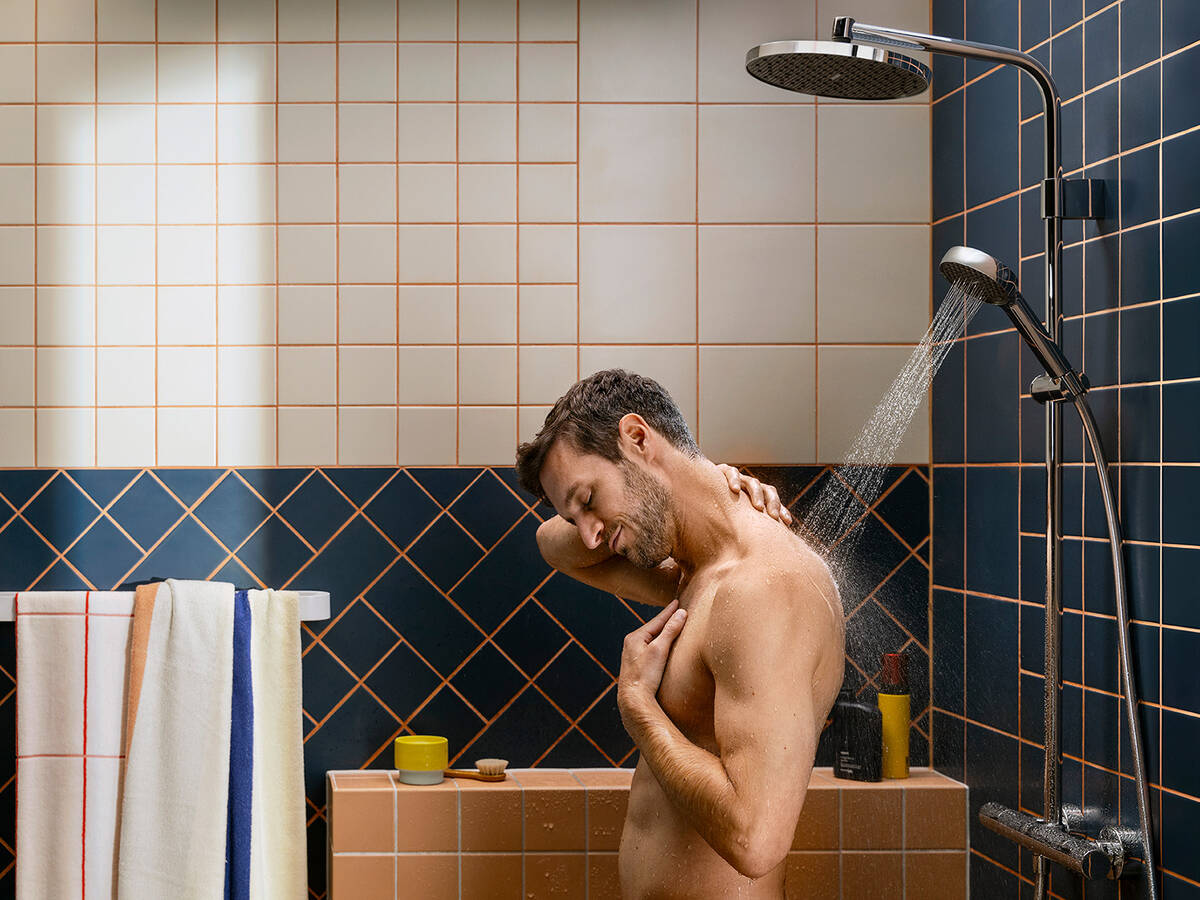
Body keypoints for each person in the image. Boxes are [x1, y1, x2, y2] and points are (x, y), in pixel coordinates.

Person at [515, 369, 845, 898]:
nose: (589, 536)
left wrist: (639, 710)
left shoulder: (760, 589)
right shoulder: (696, 570)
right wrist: (703, 483)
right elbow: (550, 544)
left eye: (589, 498)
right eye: (575, 517)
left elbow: (756, 840)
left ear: (638, 437)